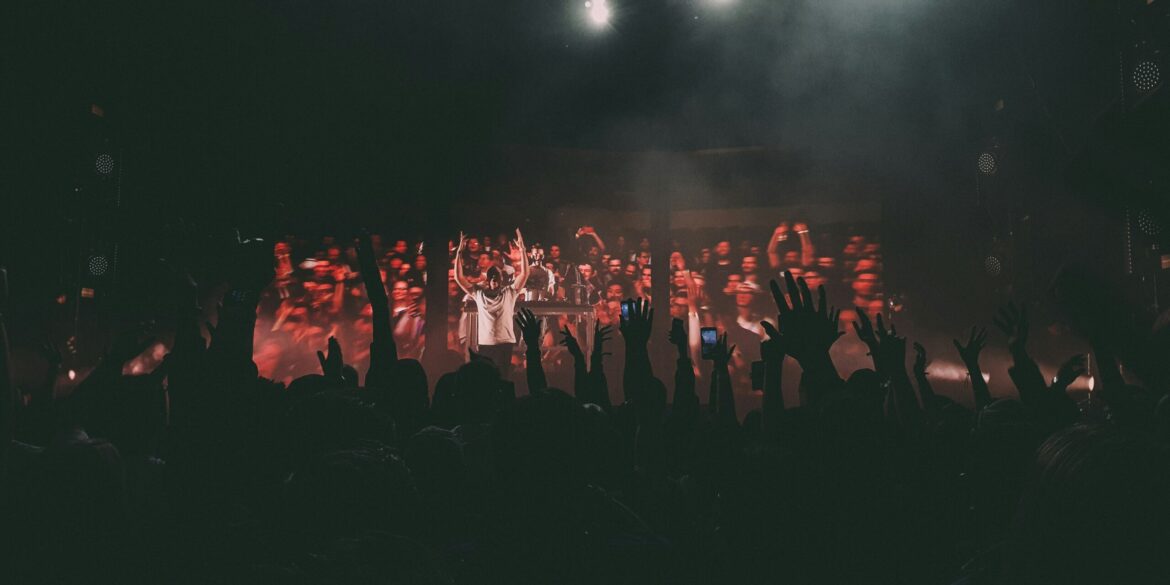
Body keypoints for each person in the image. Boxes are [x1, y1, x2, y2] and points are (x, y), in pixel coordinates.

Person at [453, 229, 530, 379]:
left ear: (501, 279)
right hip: (485, 344)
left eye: (497, 276)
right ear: (488, 280)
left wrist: (523, 250)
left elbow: (525, 274)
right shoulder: (479, 294)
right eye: (492, 276)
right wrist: (459, 253)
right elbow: (459, 278)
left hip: (505, 343)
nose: (494, 279)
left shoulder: (509, 292)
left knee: (502, 378)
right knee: (486, 379)